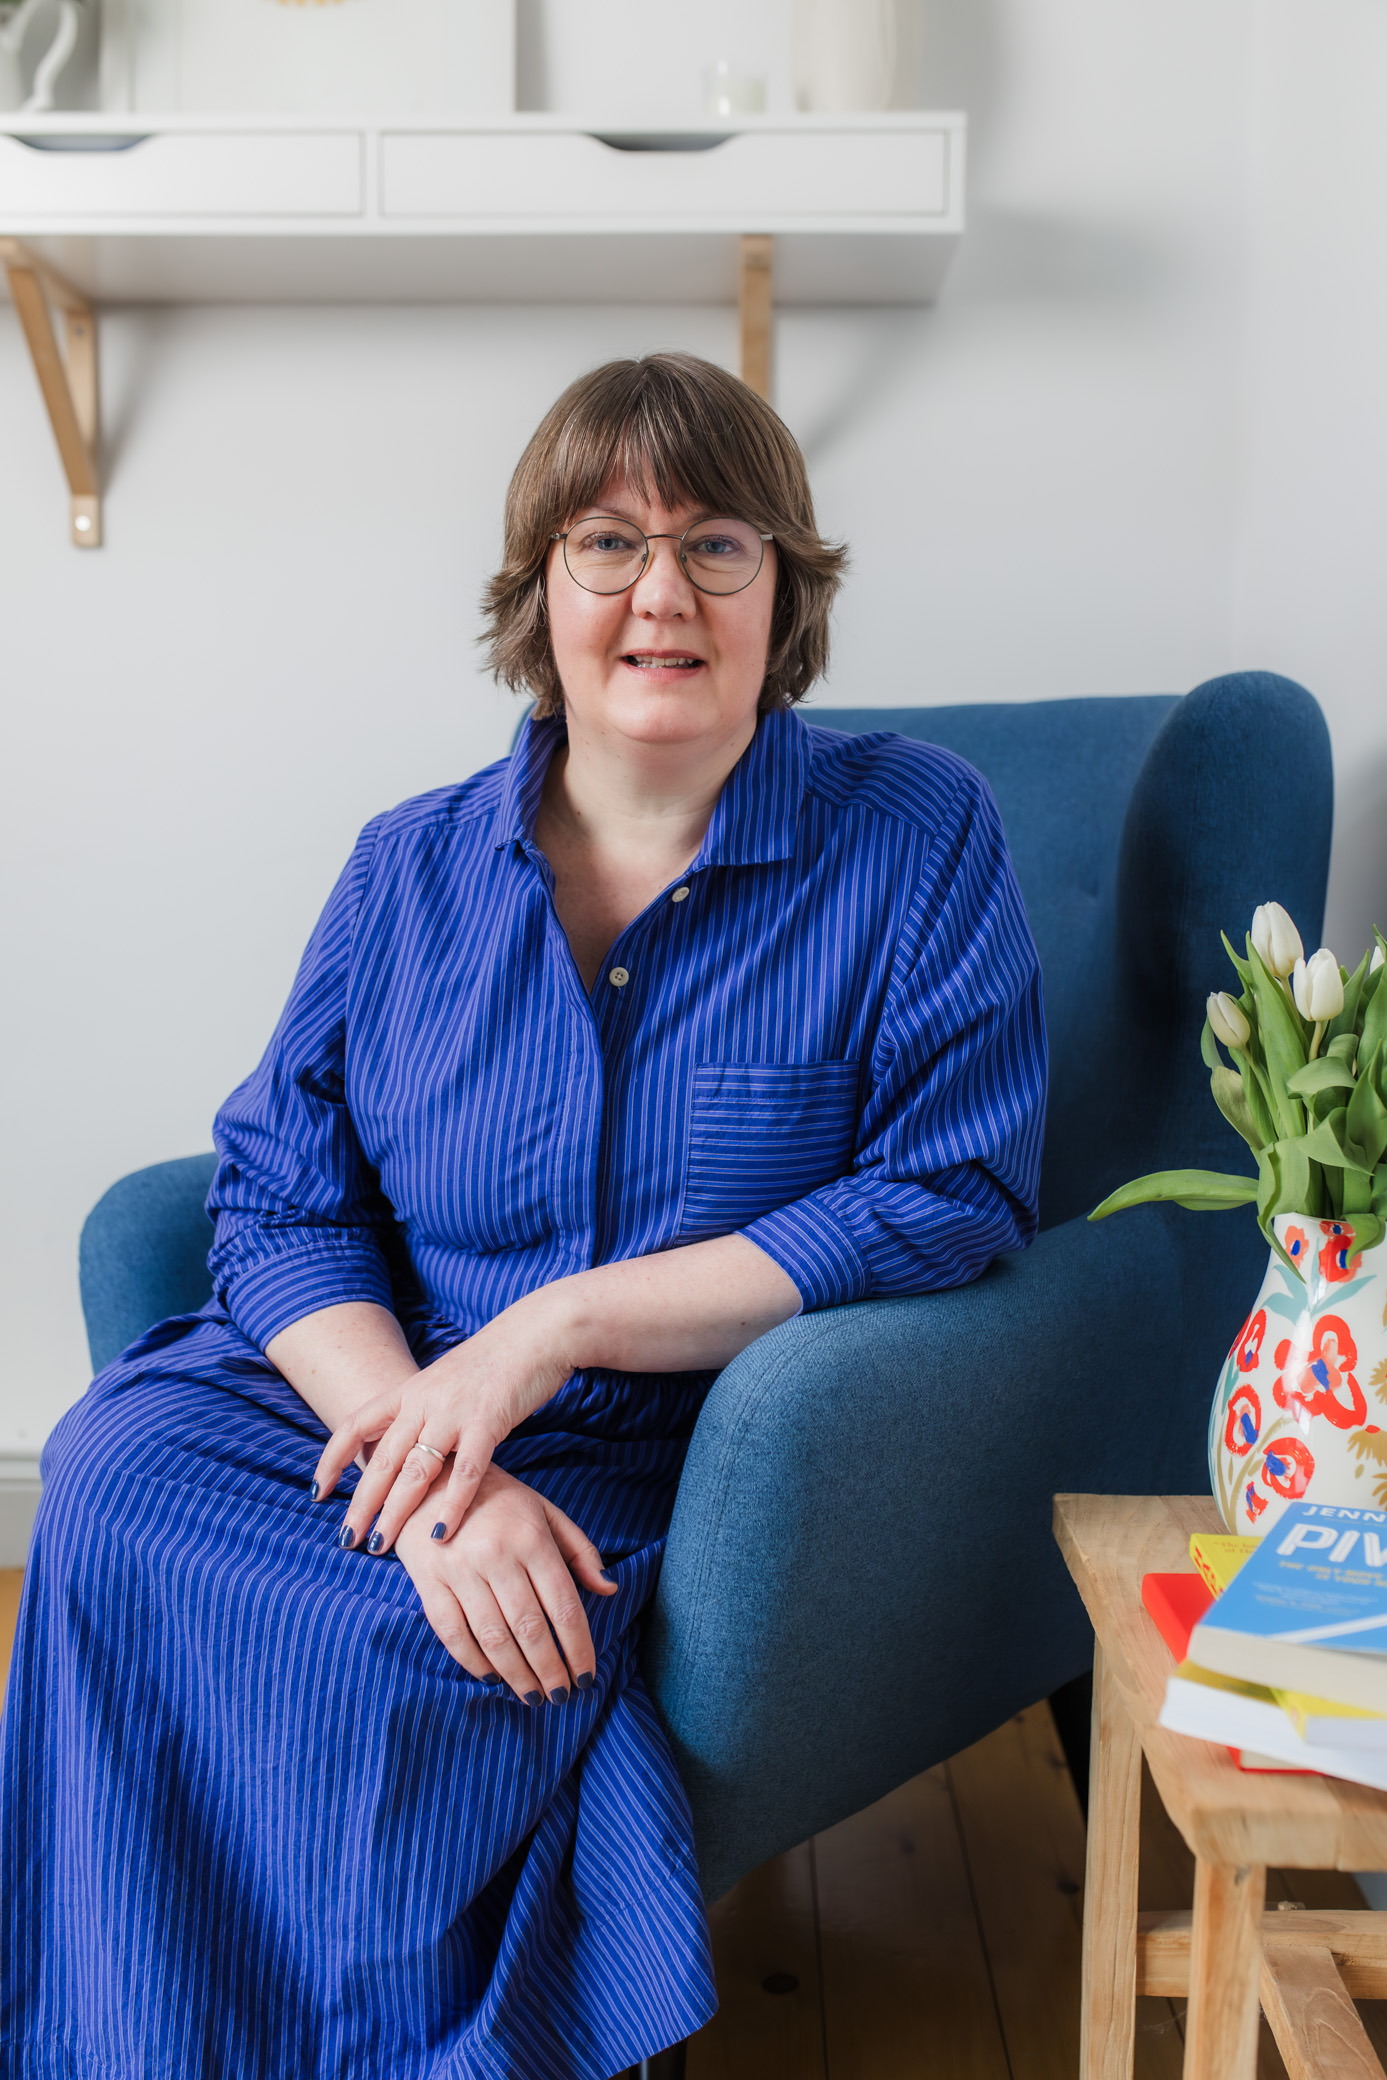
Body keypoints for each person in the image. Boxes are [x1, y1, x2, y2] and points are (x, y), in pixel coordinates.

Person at [0, 352, 1047, 2080]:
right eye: (607, 543)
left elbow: (952, 1187)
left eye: (716, 545)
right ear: (540, 593)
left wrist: (555, 1331)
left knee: (417, 1661)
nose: (661, 594)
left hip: (663, 1447)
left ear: (784, 593)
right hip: (375, 1402)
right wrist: (431, 1475)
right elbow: (279, 1198)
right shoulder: (403, 867)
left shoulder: (919, 836)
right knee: (106, 1479)